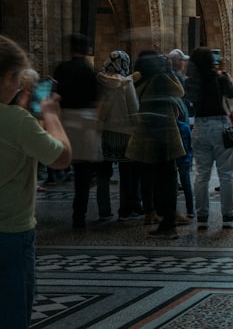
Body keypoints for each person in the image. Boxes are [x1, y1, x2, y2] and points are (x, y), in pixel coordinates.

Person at [0, 36, 73, 328]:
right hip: (10, 234)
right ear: (7, 76)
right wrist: (52, 116)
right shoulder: (16, 120)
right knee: (12, 313)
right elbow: (61, 157)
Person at [127, 51, 187, 238]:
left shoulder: (137, 80)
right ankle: (169, 223)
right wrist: (168, 71)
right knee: (167, 180)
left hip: (145, 136)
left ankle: (153, 213)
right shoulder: (160, 80)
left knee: (149, 178)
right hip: (164, 137)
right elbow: (179, 91)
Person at [53, 33, 107, 228]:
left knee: (65, 162)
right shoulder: (91, 71)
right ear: (87, 50)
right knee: (83, 175)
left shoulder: (61, 69)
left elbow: (55, 95)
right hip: (85, 124)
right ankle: (79, 216)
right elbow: (99, 101)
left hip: (65, 122)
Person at [188, 47, 233, 229]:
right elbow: (232, 95)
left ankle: (201, 218)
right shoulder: (219, 78)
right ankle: (228, 217)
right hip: (220, 126)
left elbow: (188, 100)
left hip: (200, 127)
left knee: (201, 174)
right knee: (226, 175)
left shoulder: (191, 81)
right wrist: (224, 74)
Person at [96, 50, 142, 221]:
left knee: (103, 174)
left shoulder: (100, 80)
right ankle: (125, 211)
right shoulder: (126, 83)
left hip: (105, 133)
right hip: (124, 133)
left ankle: (104, 211)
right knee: (126, 174)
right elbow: (133, 109)